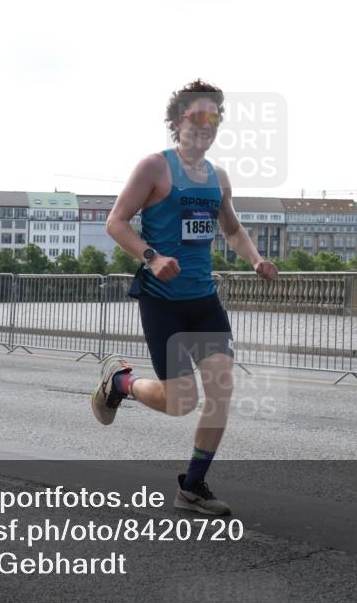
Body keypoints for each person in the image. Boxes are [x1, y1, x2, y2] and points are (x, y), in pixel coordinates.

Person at [92, 79, 279, 515]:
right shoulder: (154, 168)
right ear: (177, 122)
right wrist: (151, 256)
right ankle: (119, 382)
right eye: (197, 116)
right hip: (163, 301)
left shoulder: (218, 177)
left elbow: (231, 229)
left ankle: (192, 486)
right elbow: (116, 222)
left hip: (204, 301)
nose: (206, 125)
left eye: (214, 117)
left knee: (220, 391)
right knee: (182, 402)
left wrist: (254, 259)